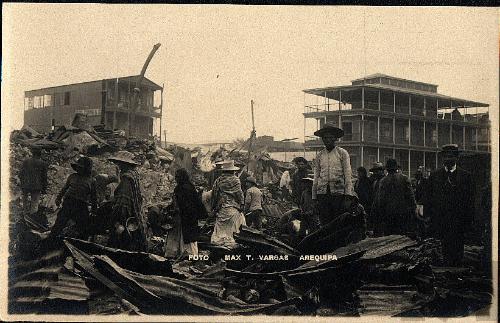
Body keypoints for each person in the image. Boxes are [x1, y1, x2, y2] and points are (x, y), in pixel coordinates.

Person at [425, 144, 474, 266]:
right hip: (441, 219)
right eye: (445, 156)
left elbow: (470, 201)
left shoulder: (466, 176)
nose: (448, 159)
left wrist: (469, 221)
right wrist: (429, 217)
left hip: (459, 220)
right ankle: (447, 271)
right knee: (444, 246)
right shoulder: (435, 176)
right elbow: (429, 198)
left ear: (457, 158)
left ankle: (456, 270)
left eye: (451, 156)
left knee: (458, 247)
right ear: (442, 158)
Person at [46, 156, 97, 244]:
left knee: (84, 227)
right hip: (68, 203)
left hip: (81, 205)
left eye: (81, 168)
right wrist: (58, 198)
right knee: (59, 224)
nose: (78, 169)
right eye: (78, 167)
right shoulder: (72, 177)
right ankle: (50, 242)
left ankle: (80, 245)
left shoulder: (92, 181)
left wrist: (94, 210)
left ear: (86, 169)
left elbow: (94, 197)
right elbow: (64, 188)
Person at [311, 122, 354, 226]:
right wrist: (314, 197)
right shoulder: (320, 155)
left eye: (330, 137)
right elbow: (316, 176)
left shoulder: (342, 153)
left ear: (335, 138)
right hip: (323, 193)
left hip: (338, 193)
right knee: (324, 221)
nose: (327, 140)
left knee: (337, 221)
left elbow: (348, 175)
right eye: (325, 138)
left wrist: (348, 195)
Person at [107, 151, 147, 252]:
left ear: (124, 164)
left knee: (121, 241)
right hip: (135, 213)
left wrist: (116, 219)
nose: (118, 166)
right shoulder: (134, 175)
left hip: (125, 216)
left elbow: (123, 203)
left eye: (119, 163)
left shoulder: (126, 179)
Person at [371, 159, 416, 236]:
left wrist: (380, 214)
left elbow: (380, 200)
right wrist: (413, 209)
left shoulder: (383, 181)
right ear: (396, 168)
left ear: (387, 169)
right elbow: (411, 197)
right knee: (402, 236)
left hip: (388, 215)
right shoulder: (404, 178)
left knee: (389, 237)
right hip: (403, 214)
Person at [210, 160, 246, 246]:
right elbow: (239, 194)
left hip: (222, 208)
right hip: (233, 208)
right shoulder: (236, 180)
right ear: (232, 170)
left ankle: (221, 243)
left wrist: (213, 207)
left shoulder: (218, 181)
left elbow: (214, 195)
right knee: (236, 227)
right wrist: (242, 204)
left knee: (221, 229)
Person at [173, 168, 207, 256]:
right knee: (191, 238)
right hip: (191, 215)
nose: (176, 179)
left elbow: (182, 204)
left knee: (187, 237)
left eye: (177, 177)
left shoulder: (180, 189)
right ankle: (191, 254)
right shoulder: (190, 186)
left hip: (187, 216)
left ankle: (188, 256)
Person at [19, 147, 48, 216]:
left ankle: (24, 215)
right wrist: (44, 189)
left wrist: (22, 183)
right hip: (36, 186)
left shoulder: (26, 161)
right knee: (34, 203)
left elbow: (21, 174)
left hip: (26, 185)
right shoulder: (43, 163)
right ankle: (32, 217)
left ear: (32, 153)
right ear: (40, 154)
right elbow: (44, 177)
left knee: (25, 202)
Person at [413, 166, 429, 238]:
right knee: (418, 220)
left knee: (422, 220)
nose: (416, 175)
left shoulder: (425, 182)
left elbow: (426, 194)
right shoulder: (416, 182)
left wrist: (420, 203)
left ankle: (424, 236)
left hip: (422, 204)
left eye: (418, 174)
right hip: (417, 203)